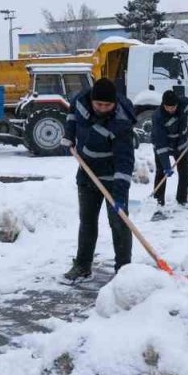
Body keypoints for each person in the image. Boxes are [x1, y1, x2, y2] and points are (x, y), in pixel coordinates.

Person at [61, 78, 137, 281]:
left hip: (112, 177)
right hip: (86, 173)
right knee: (87, 222)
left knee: (119, 223)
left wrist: (119, 195)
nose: (102, 108)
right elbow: (71, 116)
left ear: (114, 103)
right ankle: (82, 266)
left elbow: (125, 161)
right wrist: (69, 135)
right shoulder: (80, 100)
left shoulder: (121, 123)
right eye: (99, 104)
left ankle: (124, 270)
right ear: (92, 100)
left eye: (107, 105)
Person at [150, 89, 188, 208]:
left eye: (173, 107)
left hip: (181, 143)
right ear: (163, 105)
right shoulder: (158, 116)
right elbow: (160, 143)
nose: (170, 110)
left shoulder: (184, 103)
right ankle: (158, 201)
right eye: (167, 107)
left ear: (177, 103)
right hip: (163, 145)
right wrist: (166, 166)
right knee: (161, 172)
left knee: (184, 171)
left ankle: (182, 199)